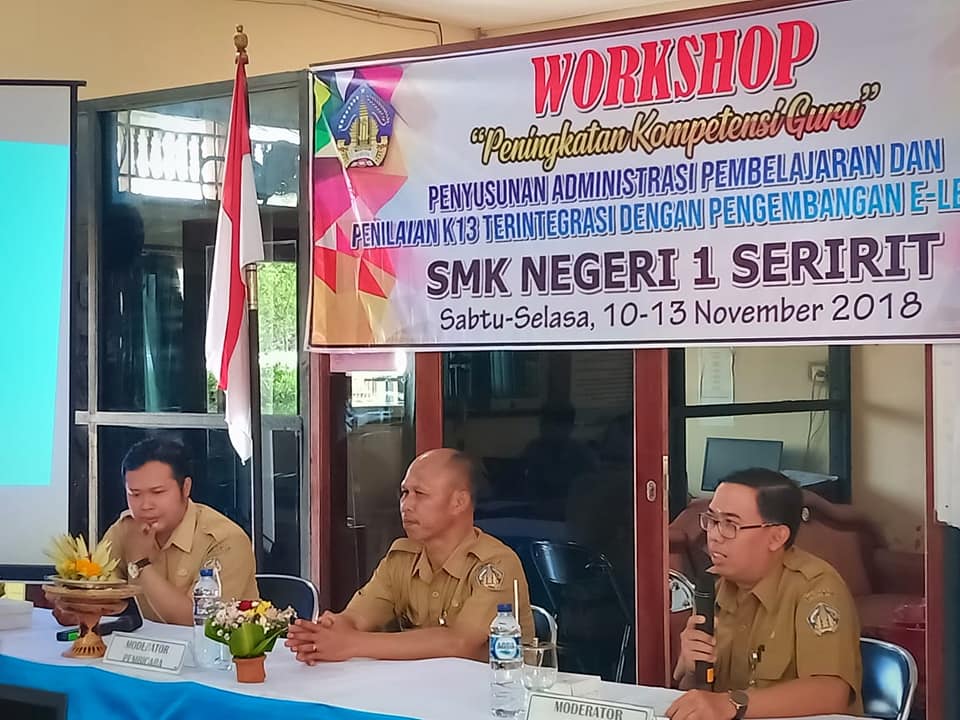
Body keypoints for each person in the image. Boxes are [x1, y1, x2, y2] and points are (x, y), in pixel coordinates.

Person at [286, 448, 534, 663]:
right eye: (404, 493)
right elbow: (357, 617)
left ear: (459, 502)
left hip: (493, 694)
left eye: (420, 494)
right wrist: (326, 633)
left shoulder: (496, 564)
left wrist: (350, 644)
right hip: (417, 689)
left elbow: (459, 643)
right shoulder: (402, 557)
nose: (407, 505)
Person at [667, 469, 862, 720]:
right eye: (712, 520)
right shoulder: (713, 587)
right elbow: (700, 699)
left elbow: (831, 693)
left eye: (730, 525)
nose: (714, 535)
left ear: (777, 537)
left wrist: (732, 704)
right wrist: (691, 669)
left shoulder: (815, 588)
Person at [53, 438, 258, 626]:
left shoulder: (226, 540)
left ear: (186, 488)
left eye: (158, 492)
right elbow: (98, 595)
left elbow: (196, 622)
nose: (145, 505)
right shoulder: (126, 529)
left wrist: (141, 563)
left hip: (222, 650)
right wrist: (74, 607)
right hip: (150, 648)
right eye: (135, 494)